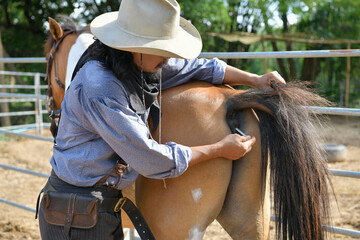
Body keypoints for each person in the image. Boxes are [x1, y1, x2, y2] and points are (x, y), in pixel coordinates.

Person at [37, 0, 286, 239]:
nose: (168, 57)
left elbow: (198, 68)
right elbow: (150, 158)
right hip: (75, 214)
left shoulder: (139, 64)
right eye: (161, 49)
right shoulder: (100, 87)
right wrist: (218, 149)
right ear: (135, 45)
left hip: (96, 206)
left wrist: (255, 79)